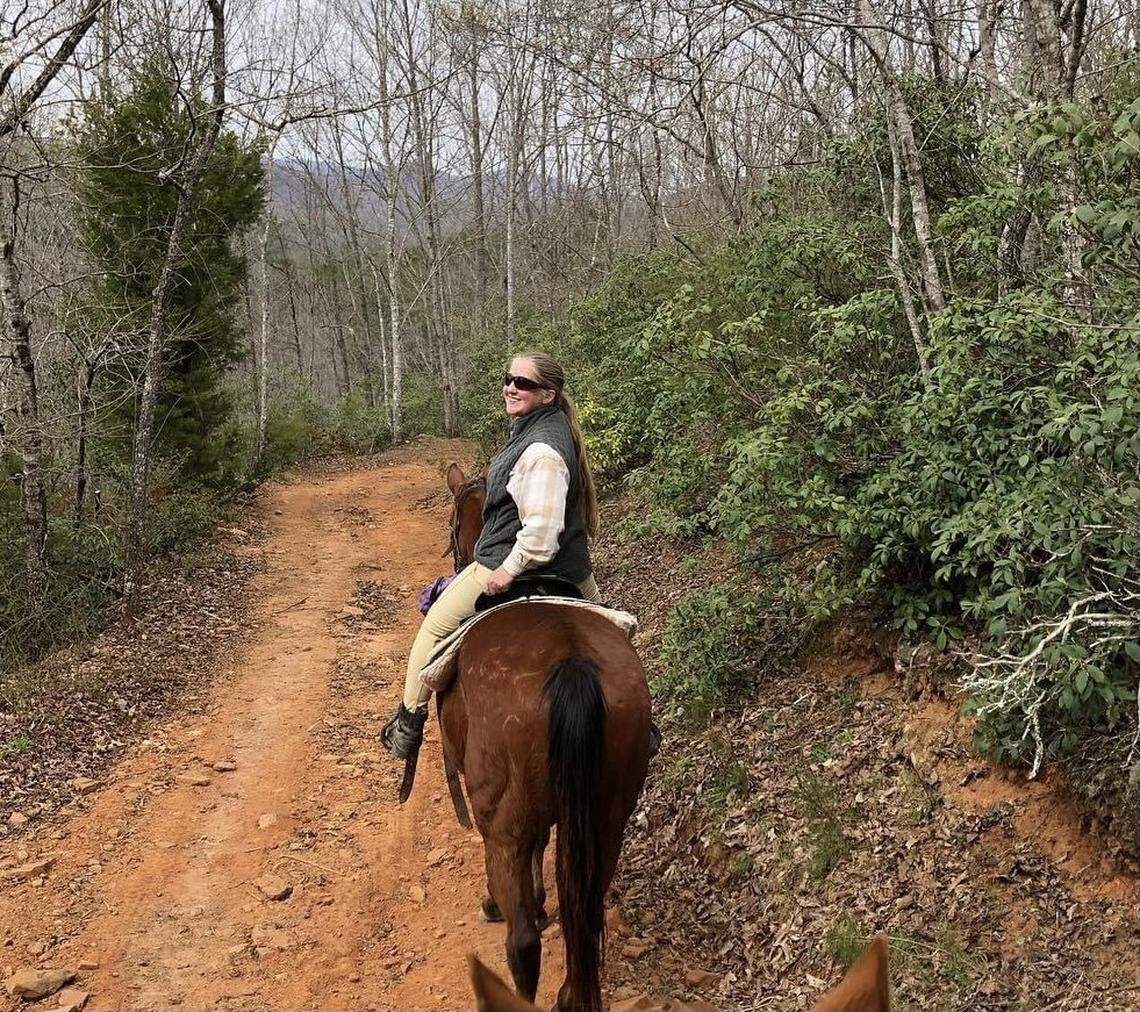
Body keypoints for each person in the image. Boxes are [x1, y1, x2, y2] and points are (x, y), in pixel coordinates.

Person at [381, 351, 603, 760]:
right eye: (509, 378)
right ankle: (643, 727)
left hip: (514, 560)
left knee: (432, 629)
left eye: (524, 383)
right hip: (573, 568)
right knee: (611, 630)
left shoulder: (543, 452)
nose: (511, 387)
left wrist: (505, 571)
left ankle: (408, 724)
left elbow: (540, 535)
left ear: (548, 395)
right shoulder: (544, 430)